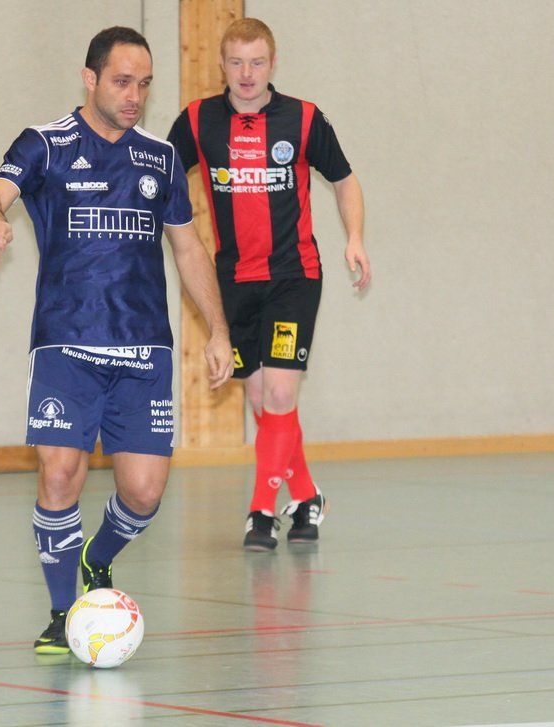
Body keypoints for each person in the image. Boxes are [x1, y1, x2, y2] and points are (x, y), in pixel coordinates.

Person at [0, 26, 233, 654]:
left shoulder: (159, 158)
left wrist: (218, 329)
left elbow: (188, 249)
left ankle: (98, 555)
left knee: (143, 493)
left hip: (144, 348)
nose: (134, 95)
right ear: (90, 79)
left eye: (144, 84)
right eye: (121, 82)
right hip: (66, 342)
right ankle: (63, 612)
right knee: (61, 474)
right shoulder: (46, 144)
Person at [168, 18, 371, 551]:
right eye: (236, 62)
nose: (247, 73)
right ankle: (306, 496)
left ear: (273, 63)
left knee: (280, 391)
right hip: (233, 282)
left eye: (257, 62)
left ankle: (261, 512)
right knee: (262, 401)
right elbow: (160, 179)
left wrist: (354, 237)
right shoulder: (197, 120)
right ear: (221, 65)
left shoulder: (303, 118)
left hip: (293, 276)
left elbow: (344, 180)